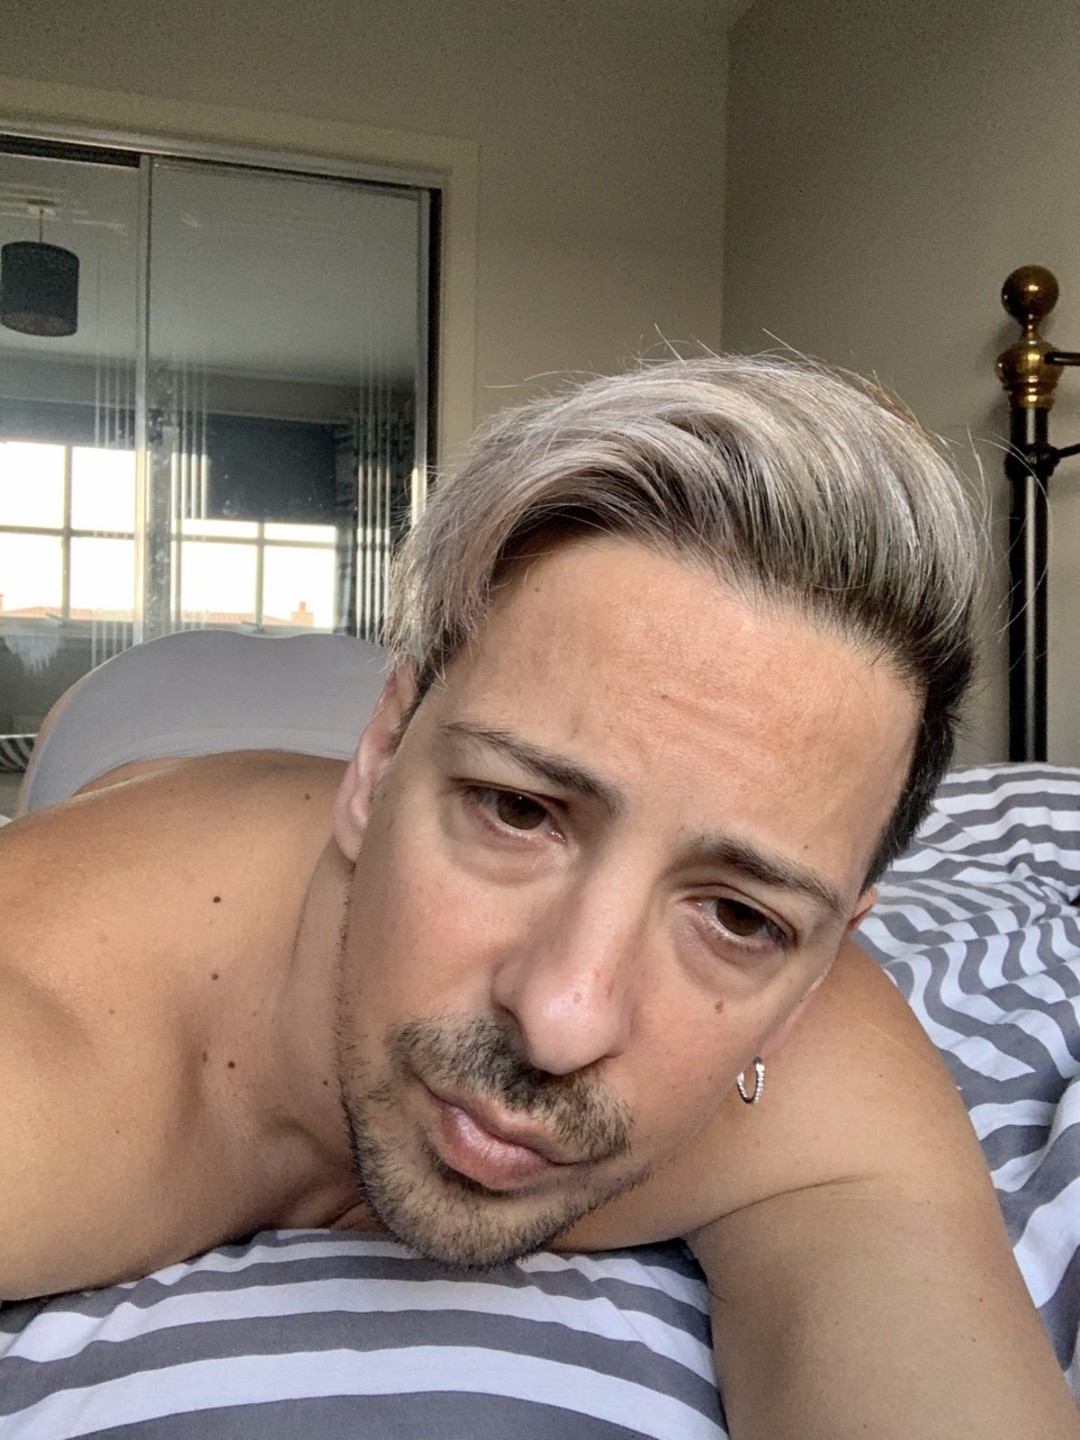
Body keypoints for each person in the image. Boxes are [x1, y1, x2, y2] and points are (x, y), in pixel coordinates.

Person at [2, 355, 1077, 1439]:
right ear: (378, 762)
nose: (564, 1023)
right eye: (518, 810)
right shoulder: (45, 1084)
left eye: (737, 913)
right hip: (150, 717)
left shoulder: (809, 1058)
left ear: (816, 965)